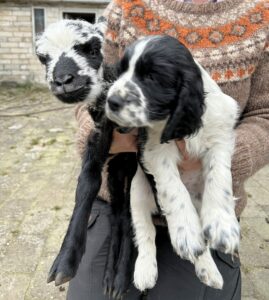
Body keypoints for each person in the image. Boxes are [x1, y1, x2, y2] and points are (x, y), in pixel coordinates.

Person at [67, 0, 269, 299]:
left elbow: (264, 115)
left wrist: (213, 160)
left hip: (206, 204)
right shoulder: (124, 7)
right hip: (120, 196)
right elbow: (94, 92)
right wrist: (102, 139)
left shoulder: (261, 15)